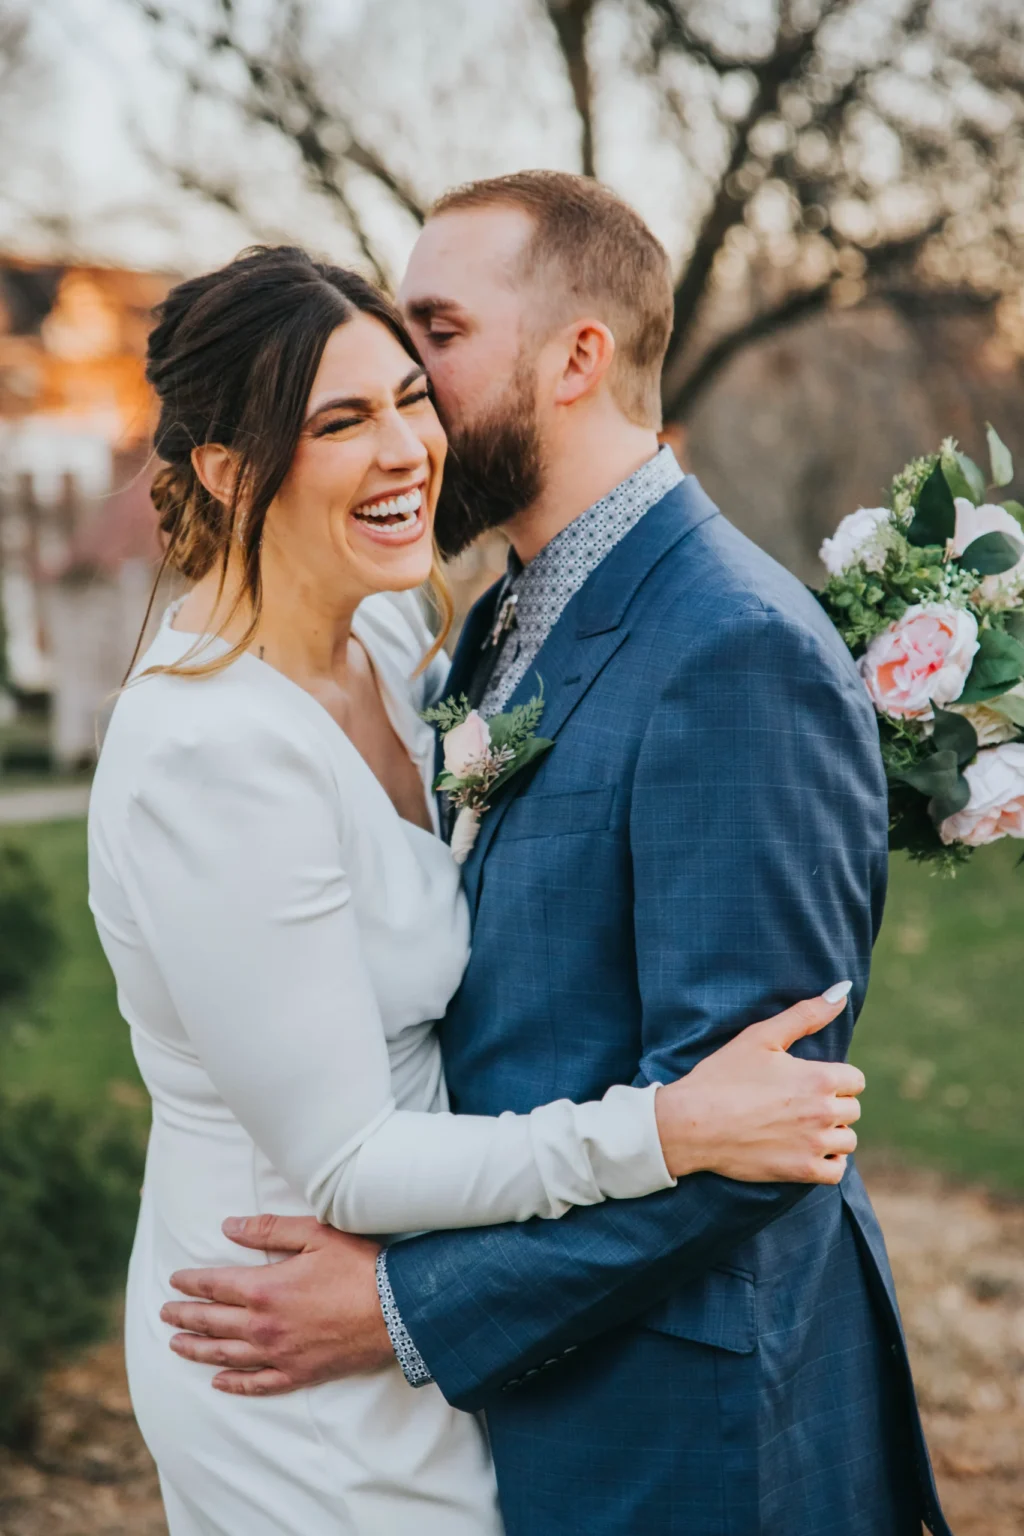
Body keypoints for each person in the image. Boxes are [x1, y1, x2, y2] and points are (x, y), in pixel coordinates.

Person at [161, 176, 953, 1536]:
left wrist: (407, 1310)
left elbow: (753, 1128)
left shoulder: (731, 652)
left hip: (686, 1421)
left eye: (438, 338)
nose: (406, 392)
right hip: (541, 1393)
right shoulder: (494, 619)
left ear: (579, 357)